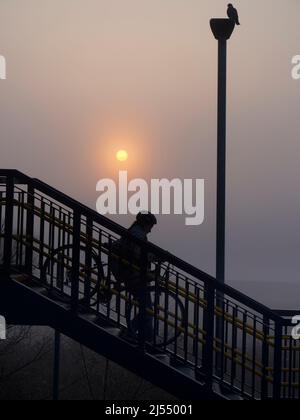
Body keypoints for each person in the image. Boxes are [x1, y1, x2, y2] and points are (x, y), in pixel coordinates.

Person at [111, 212, 158, 341]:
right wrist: (155, 257)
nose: (150, 230)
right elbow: (138, 254)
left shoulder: (136, 231)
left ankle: (149, 339)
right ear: (145, 224)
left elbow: (139, 254)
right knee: (147, 310)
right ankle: (130, 331)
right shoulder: (138, 234)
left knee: (147, 308)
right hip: (130, 274)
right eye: (151, 227)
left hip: (128, 272)